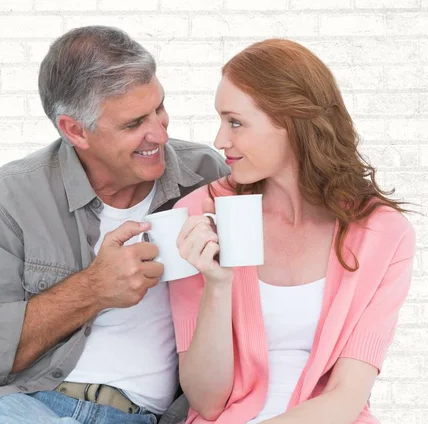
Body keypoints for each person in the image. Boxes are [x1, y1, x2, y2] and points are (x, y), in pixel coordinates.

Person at [0, 26, 229, 424]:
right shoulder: (7, 201)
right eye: (134, 123)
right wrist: (93, 290)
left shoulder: (205, 177)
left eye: (159, 107)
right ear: (74, 130)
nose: (160, 132)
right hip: (25, 405)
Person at [169, 39, 415, 424]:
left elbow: (348, 395)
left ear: (290, 123)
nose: (220, 141)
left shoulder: (383, 234)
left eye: (235, 122)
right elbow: (207, 401)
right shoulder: (199, 215)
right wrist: (218, 283)